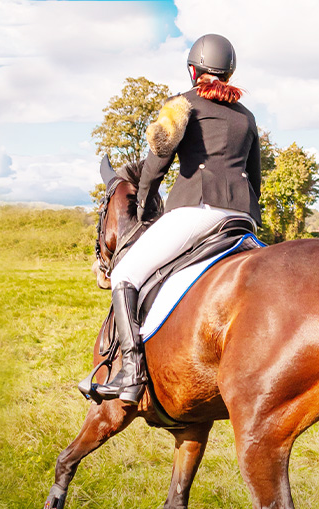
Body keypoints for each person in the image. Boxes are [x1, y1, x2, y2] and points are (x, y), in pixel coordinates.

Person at [92, 33, 262, 404]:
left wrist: (143, 200)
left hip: (198, 211)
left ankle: (131, 373)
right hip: (243, 218)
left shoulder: (180, 105)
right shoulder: (247, 117)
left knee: (124, 274)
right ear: (229, 71)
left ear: (192, 69)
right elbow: (256, 176)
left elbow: (157, 162)